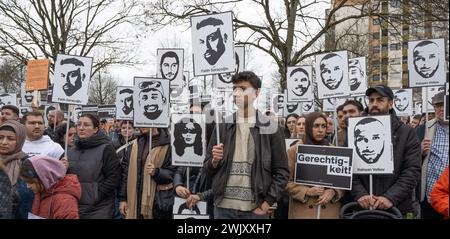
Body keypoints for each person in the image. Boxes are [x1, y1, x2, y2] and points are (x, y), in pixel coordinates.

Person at [203, 71, 289, 219]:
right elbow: (207, 168)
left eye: (242, 89)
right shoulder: (222, 126)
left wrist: (268, 202)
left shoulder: (271, 128)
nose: (236, 93)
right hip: (223, 207)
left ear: (256, 93)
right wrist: (214, 161)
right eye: (234, 89)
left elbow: (282, 172)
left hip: (254, 209)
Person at [351, 85, 421, 217]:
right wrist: (360, 194)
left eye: (380, 100)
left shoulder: (406, 132)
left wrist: (390, 197)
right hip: (363, 209)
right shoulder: (354, 129)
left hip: (397, 208)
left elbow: (412, 170)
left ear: (390, 104)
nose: (374, 104)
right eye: (371, 100)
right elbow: (348, 169)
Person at [285, 112, 344, 219]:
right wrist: (306, 191)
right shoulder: (294, 151)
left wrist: (333, 191)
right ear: (308, 127)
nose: (320, 130)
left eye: (323, 126)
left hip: (328, 211)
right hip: (302, 211)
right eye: (316, 126)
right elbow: (285, 181)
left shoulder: (334, 150)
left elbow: (344, 182)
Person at [65, 113, 121, 219]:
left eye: (86, 125)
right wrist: (63, 168)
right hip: (75, 206)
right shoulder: (71, 151)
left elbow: (114, 177)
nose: (81, 128)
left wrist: (96, 195)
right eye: (79, 124)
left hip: (99, 208)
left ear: (95, 129)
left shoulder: (106, 148)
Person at [119, 127, 175, 219]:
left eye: (144, 122)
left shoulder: (169, 145)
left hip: (157, 202)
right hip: (135, 201)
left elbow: (173, 173)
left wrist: (157, 172)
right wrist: (123, 198)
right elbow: (125, 173)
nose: (141, 125)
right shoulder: (135, 144)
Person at [415, 91, 448, 219]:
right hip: (430, 197)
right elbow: (411, 159)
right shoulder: (423, 129)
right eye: (438, 105)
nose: (442, 108)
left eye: (445, 104)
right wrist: (420, 151)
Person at [0, 120, 32, 219]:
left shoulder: (26, 164)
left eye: (10, 139)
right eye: (0, 137)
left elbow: (26, 199)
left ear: (20, 140)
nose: (4, 142)